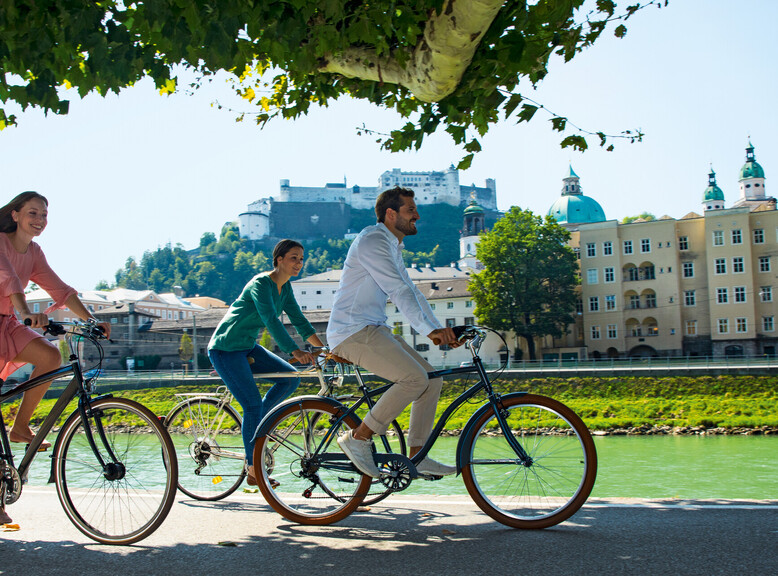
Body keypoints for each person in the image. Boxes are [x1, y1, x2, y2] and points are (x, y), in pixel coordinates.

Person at [327, 186, 459, 478]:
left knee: (431, 380)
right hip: (352, 330)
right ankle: (358, 437)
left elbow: (412, 291)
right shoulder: (373, 241)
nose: (417, 215)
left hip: (373, 328)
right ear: (390, 214)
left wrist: (438, 329)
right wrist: (430, 331)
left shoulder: (391, 245)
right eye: (410, 210)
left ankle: (418, 456)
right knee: (414, 379)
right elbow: (398, 291)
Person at [0, 192, 111, 457]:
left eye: (44, 215)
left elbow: (60, 288)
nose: (40, 219)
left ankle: (21, 427)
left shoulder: (34, 252)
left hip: (8, 323)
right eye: (33, 213)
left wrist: (91, 320)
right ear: (15, 215)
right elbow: (9, 279)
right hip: (15, 316)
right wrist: (27, 313)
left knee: (50, 356)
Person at [208, 239, 323, 485]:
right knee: (251, 405)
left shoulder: (286, 288)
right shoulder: (261, 283)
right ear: (278, 259)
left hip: (247, 346)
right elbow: (270, 319)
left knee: (289, 379)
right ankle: (254, 470)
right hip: (226, 348)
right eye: (293, 258)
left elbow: (299, 321)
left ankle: (261, 424)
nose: (299, 263)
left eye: (301, 259)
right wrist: (293, 350)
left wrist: (323, 348)